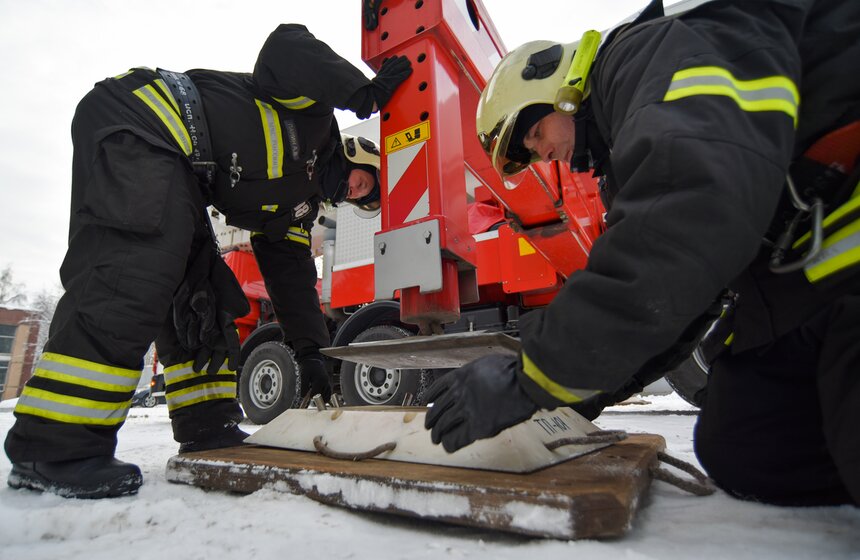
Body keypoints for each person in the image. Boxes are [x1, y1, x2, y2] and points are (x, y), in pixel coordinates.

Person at [424, 0, 859, 507]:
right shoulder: (626, 156)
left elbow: (685, 219)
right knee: (744, 444)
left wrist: (529, 376)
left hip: (839, 268)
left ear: (555, 85)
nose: (544, 155)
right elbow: (678, 296)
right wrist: (583, 390)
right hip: (814, 280)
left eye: (535, 133)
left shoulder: (650, 55)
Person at [4, 23, 412, 499]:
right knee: (136, 270)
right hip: (145, 120)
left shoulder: (294, 209)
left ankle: (207, 425)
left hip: (180, 174)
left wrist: (311, 355)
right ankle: (56, 446)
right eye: (366, 182)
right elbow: (286, 44)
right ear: (357, 156)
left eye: (364, 199)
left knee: (201, 296)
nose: (358, 193)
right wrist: (360, 92)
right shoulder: (316, 117)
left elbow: (293, 279)